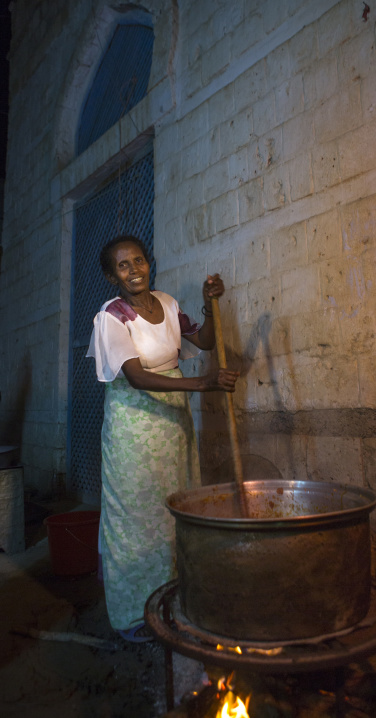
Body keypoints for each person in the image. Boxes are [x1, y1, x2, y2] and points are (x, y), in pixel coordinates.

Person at [86, 235, 239, 642]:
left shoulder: (167, 303)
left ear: (148, 264)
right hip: (133, 429)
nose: (134, 269)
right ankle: (133, 614)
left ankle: (171, 597)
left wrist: (209, 304)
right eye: (123, 265)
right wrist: (204, 384)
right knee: (136, 518)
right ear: (110, 275)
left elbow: (203, 339)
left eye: (138, 261)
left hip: (173, 424)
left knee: (174, 507)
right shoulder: (112, 316)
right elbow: (135, 377)